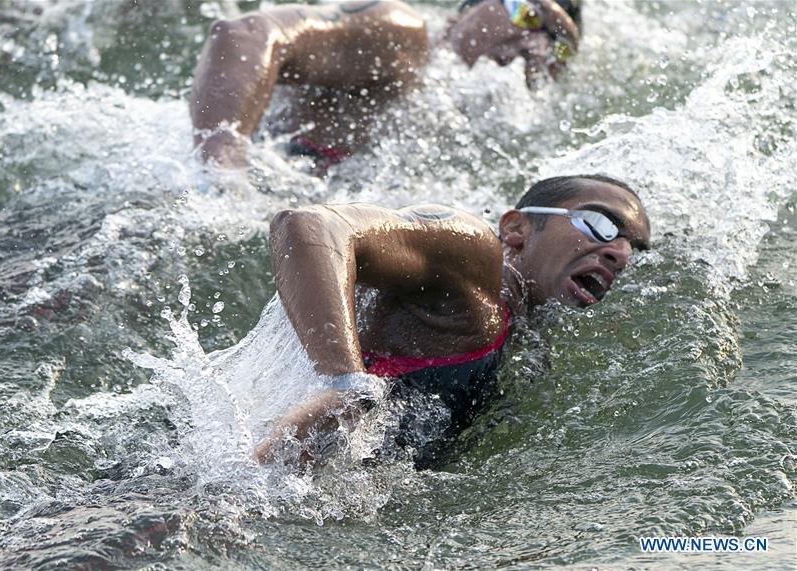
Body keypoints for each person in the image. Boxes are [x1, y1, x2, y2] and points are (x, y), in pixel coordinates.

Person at [254, 174, 650, 466]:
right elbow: (306, 225)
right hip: (247, 490)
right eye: (601, 225)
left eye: (634, 248)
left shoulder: (526, 329)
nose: (620, 252)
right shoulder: (473, 261)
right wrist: (341, 383)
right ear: (516, 230)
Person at [190, 0, 582, 168]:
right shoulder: (399, 36)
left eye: (557, 45)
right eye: (528, 13)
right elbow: (244, 35)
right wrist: (222, 172)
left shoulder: (475, 142)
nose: (535, 41)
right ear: (462, 14)